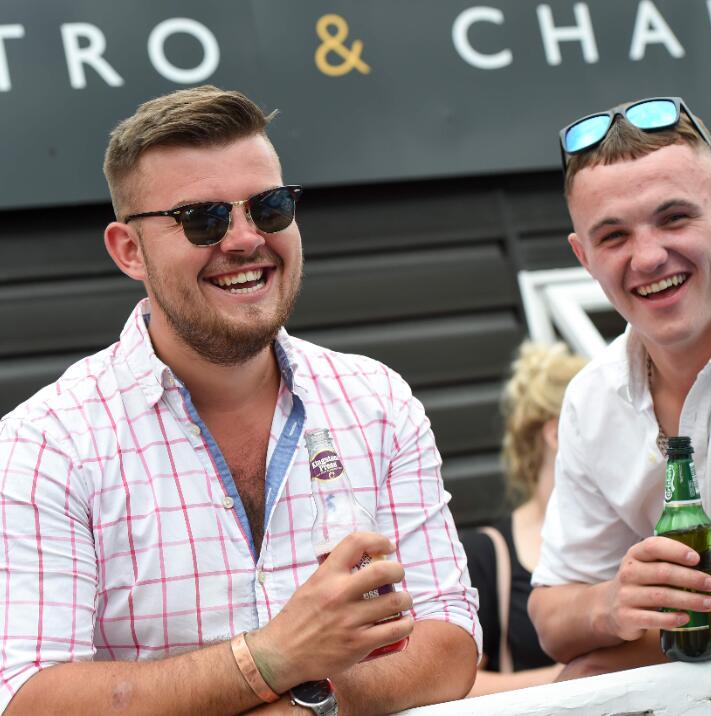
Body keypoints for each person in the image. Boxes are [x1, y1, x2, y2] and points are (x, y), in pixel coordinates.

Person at [0, 85, 480, 715]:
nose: (245, 239)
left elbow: (451, 644)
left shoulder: (377, 400)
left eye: (270, 207)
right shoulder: (44, 442)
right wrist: (270, 659)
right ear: (128, 250)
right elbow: (28, 696)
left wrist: (309, 702)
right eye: (203, 218)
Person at [529, 97, 711, 679]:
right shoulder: (590, 397)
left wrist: (596, 671)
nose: (649, 257)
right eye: (613, 236)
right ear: (583, 256)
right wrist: (613, 605)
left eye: (674, 218)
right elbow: (552, 615)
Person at [460, 341, 586, 696]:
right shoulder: (486, 554)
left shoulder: (627, 528)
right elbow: (455, 685)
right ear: (556, 433)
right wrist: (572, 678)